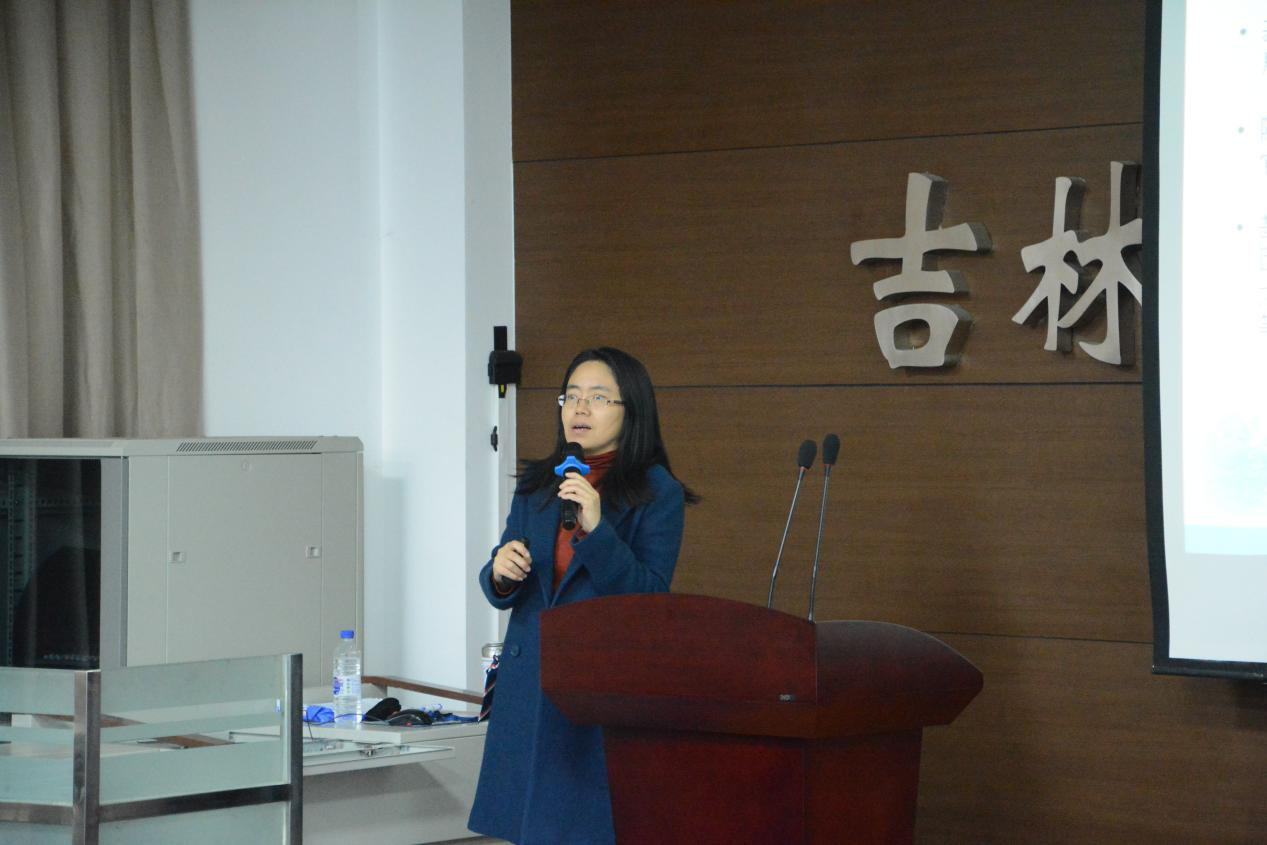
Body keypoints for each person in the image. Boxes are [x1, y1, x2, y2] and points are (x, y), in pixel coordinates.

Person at [468, 347, 698, 845]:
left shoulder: (657, 493)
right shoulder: (538, 485)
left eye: (597, 397)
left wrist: (597, 531)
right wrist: (501, 572)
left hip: (596, 694)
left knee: (582, 830)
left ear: (631, 410)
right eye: (571, 396)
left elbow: (649, 601)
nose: (579, 408)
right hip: (530, 688)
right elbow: (505, 580)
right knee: (526, 829)